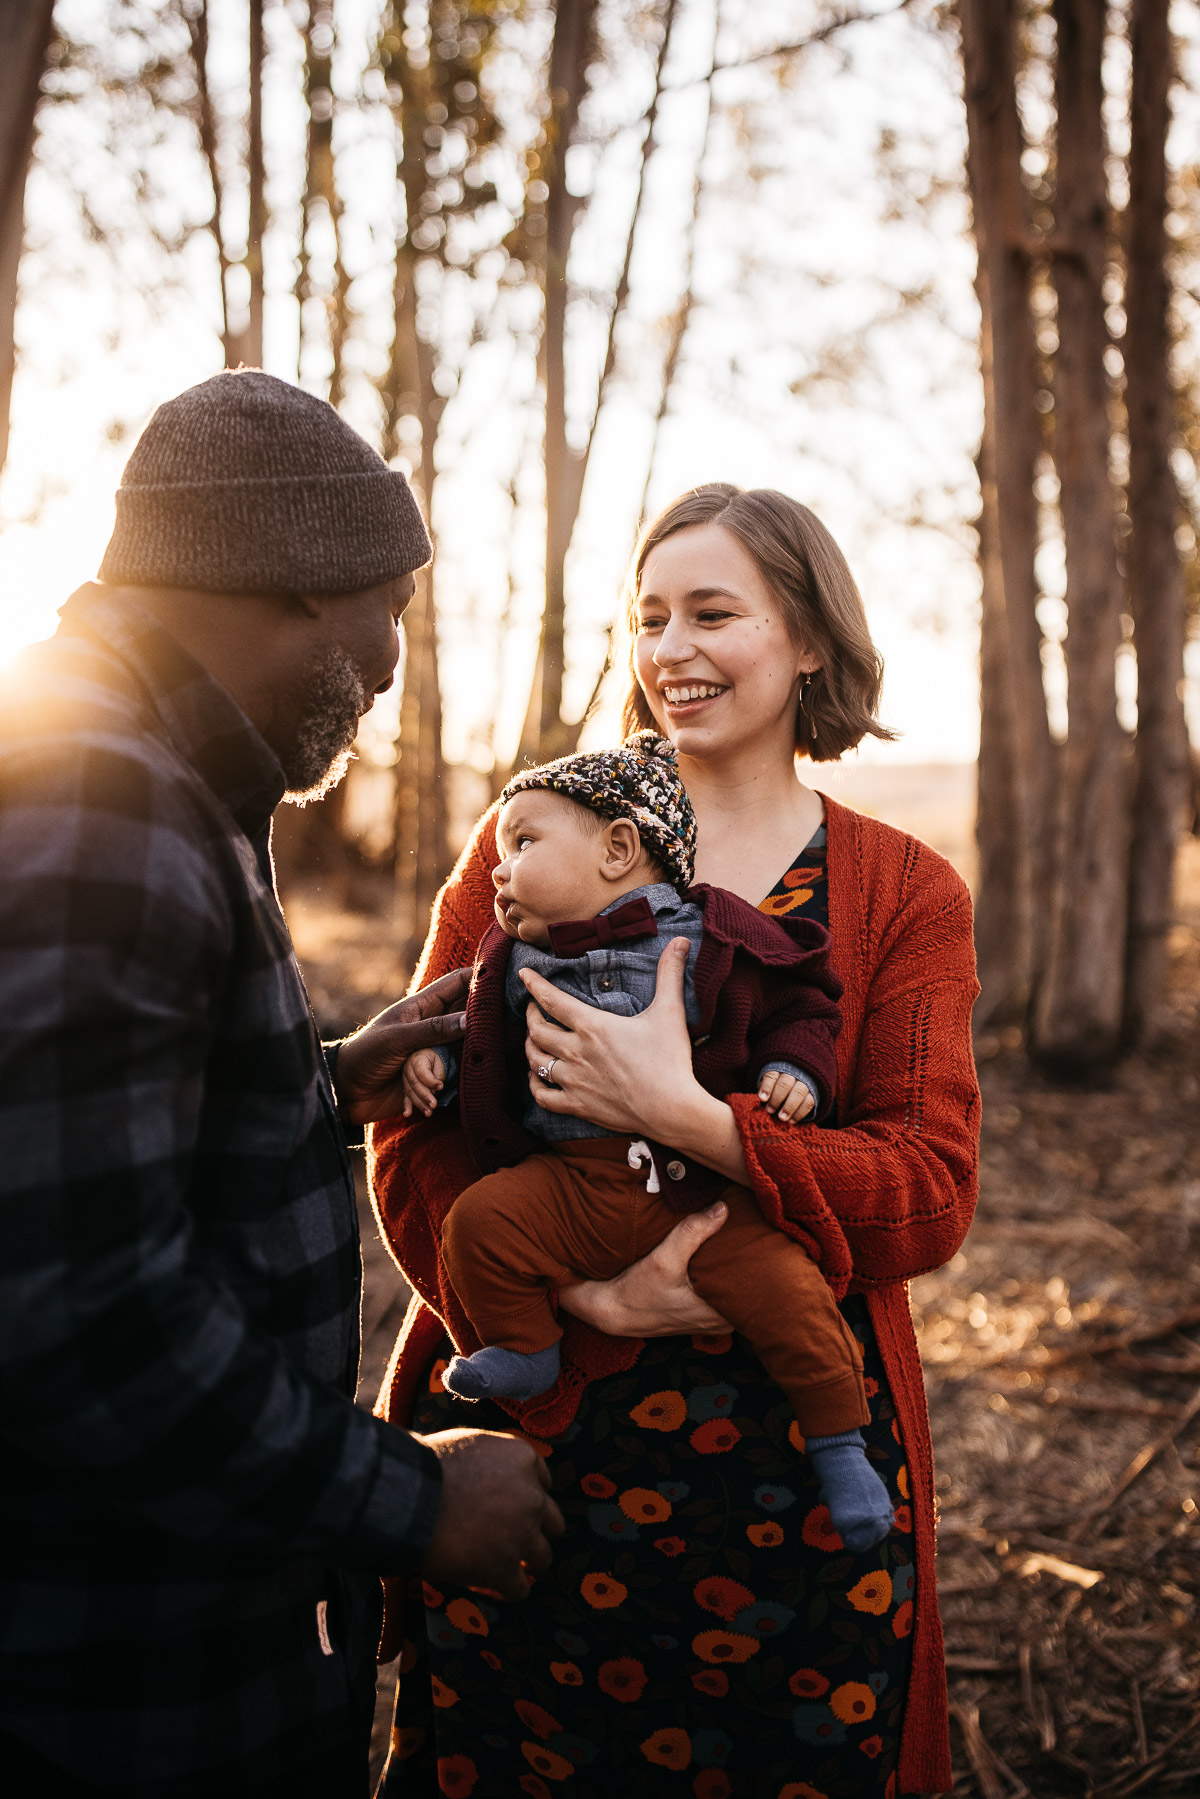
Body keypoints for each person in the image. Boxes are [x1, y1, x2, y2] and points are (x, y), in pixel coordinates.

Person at [0, 370, 562, 1799]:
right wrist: (412, 1498)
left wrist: (310, 1085)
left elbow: (71, 1156)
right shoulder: (101, 799)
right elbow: (82, 1311)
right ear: (298, 581)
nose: (389, 660)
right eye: (389, 605)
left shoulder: (142, 770)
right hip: (116, 1690)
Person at [371, 483, 979, 1797]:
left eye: (715, 612)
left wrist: (693, 1119)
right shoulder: (529, 838)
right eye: (649, 615)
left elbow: (930, 1189)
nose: (670, 649)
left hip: (795, 1500)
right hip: (534, 1467)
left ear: (809, 638)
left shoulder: (903, 893)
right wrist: (586, 1291)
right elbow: (411, 1135)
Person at [401, 732, 896, 1554]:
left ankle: (843, 1444)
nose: (499, 867)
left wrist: (794, 1070)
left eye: (522, 841)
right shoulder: (507, 955)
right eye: (652, 618)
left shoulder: (709, 934)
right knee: (480, 1224)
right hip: (573, 1185)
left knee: (792, 1295)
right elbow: (474, 1039)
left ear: (618, 848)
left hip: (703, 1189)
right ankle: (526, 1346)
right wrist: (432, 1063)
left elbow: (800, 1003)